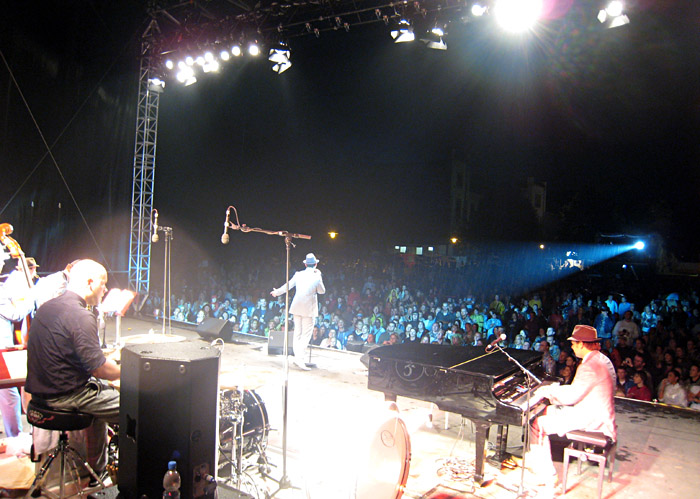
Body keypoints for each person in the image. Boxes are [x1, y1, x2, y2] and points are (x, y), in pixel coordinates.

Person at [25, 259, 120, 477]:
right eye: (103, 284)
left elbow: (63, 352)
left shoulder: (48, 307)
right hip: (65, 397)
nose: (105, 289)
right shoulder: (81, 315)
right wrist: (132, 370)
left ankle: (97, 470)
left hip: (39, 395)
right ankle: (135, 473)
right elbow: (99, 369)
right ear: (90, 283)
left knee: (100, 397)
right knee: (135, 408)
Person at [526, 325, 616, 486]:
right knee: (547, 410)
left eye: (574, 343)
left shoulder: (589, 366)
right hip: (600, 412)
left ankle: (546, 474)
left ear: (581, 344)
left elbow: (572, 397)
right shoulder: (602, 359)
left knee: (537, 424)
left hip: (592, 418)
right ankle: (537, 459)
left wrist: (548, 392)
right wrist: (554, 392)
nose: (572, 347)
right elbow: (580, 390)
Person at [271, 253, 325, 370]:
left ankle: (298, 358)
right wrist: (319, 276)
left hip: (297, 306)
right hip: (308, 309)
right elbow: (322, 291)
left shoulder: (298, 274)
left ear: (305, 264)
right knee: (305, 335)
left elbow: (288, 286)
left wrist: (277, 292)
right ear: (315, 264)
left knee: (297, 333)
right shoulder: (317, 276)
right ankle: (300, 359)